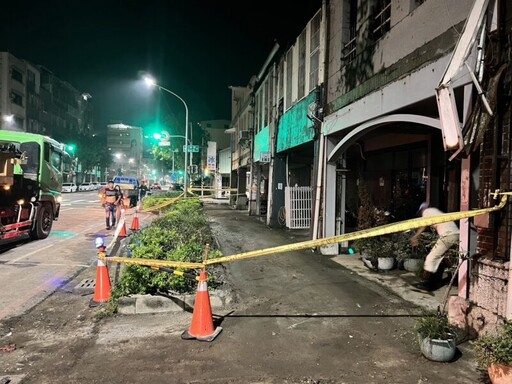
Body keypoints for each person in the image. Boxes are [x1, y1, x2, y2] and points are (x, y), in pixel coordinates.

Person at [411, 202, 460, 291]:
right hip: (454, 233)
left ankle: (427, 283)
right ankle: (448, 279)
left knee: (432, 257)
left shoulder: (427, 211)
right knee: (443, 258)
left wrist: (416, 236)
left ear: (422, 210)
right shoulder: (435, 211)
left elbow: (423, 225)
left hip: (448, 235)